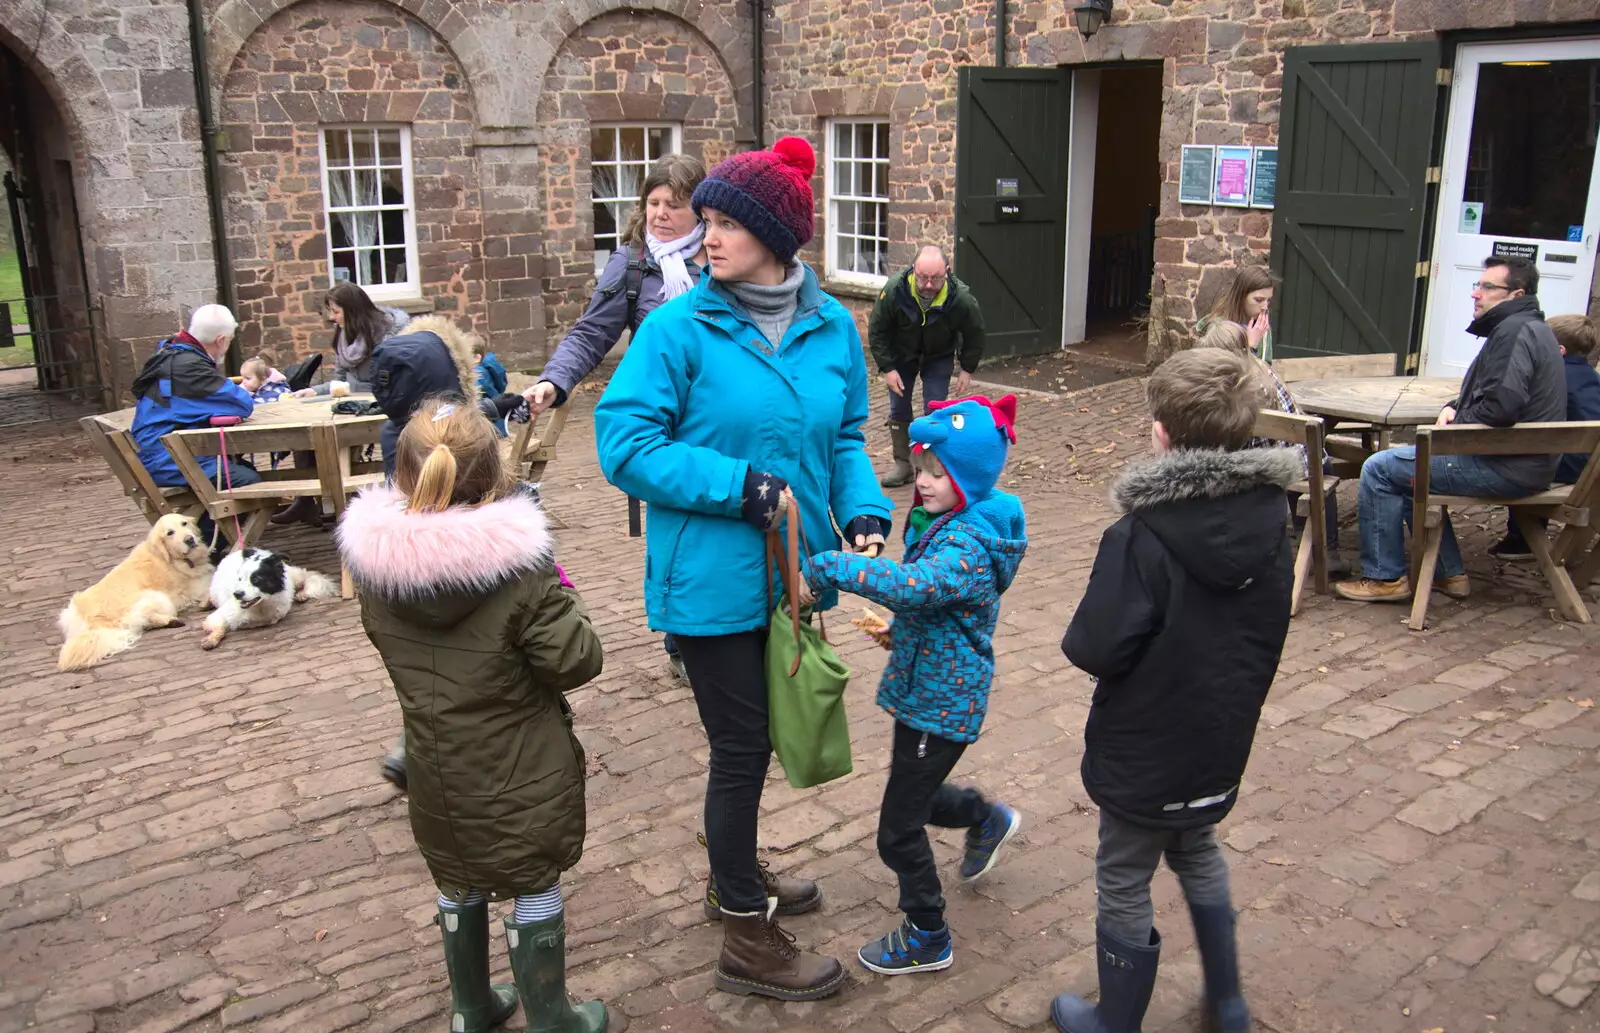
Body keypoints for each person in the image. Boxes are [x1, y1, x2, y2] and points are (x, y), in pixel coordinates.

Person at [593, 135, 892, 1002]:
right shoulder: (679, 327)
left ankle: (735, 873)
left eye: (724, 221)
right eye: (705, 219)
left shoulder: (832, 323)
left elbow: (842, 435)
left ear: (775, 234)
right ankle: (745, 936)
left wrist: (865, 507)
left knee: (755, 742)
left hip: (795, 569)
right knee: (743, 743)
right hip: (710, 577)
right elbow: (624, 444)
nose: (704, 235)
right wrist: (742, 485)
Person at [337, 400, 619, 1033]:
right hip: (520, 766)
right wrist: (556, 584)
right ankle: (552, 1018)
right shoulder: (521, 573)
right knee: (532, 876)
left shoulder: (378, 571)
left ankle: (471, 1008)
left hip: (437, 765)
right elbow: (577, 659)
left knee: (456, 876)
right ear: (495, 475)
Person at [1050, 347, 1298, 1033]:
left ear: (1161, 430)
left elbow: (1094, 645)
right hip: (1220, 731)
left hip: (1146, 742)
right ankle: (1228, 1002)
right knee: (1195, 844)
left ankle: (1116, 1022)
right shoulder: (1275, 520)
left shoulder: (1140, 534)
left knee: (1125, 871)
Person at [800, 394, 1026, 976]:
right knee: (917, 799)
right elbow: (935, 608)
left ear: (969, 476)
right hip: (928, 687)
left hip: (941, 703)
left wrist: (829, 565)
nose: (922, 482)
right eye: (921, 469)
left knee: (898, 833)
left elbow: (920, 586)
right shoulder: (954, 520)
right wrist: (901, 635)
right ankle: (983, 817)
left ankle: (929, 933)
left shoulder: (968, 544)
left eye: (936, 473)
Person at [523, 154, 709, 680]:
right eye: (653, 203)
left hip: (721, 417)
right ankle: (682, 641)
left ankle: (730, 629)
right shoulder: (631, 265)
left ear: (699, 210)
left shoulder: (721, 259)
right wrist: (553, 382)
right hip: (665, 424)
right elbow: (590, 333)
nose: (660, 214)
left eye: (674, 205)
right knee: (674, 529)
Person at [1335, 255, 1565, 603]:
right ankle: (1449, 574)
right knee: (1411, 472)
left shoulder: (1513, 332)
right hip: (1526, 461)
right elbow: (1493, 393)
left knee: (1380, 468)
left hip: (1509, 466)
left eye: (1488, 287)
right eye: (1478, 284)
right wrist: (1455, 406)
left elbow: (1501, 406)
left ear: (1516, 295)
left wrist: (1455, 424)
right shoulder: (1530, 327)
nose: (1476, 293)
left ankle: (1385, 578)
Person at [365, 314, 523, 792]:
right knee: (478, 667)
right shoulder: (459, 440)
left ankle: (412, 745)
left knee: (427, 672)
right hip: (469, 559)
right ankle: (447, 754)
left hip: (414, 564)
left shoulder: (404, 435)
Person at [1198, 319, 1348, 574]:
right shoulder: (1262, 370)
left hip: (1268, 466)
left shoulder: (1235, 389)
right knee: (1321, 463)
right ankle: (1326, 547)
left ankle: (1307, 541)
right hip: (1297, 460)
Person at [869, 245, 987, 487]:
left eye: (936, 278)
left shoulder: (961, 299)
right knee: (899, 407)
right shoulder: (894, 291)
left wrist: (967, 368)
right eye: (923, 278)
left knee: (935, 409)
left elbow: (975, 333)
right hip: (902, 355)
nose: (929, 285)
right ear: (913, 271)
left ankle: (930, 465)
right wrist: (887, 368)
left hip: (939, 355)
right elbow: (877, 330)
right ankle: (903, 464)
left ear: (947, 272)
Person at [1488, 313, 1600, 558]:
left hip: (1571, 467)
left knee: (1520, 461)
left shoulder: (1552, 379)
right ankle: (1523, 538)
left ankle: (1522, 540)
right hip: (1592, 467)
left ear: (1558, 350)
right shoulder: (1592, 378)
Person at [129, 303, 258, 493]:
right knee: (249, 479)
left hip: (159, 453)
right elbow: (242, 403)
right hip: (168, 460)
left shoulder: (169, 353)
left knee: (243, 469)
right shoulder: (191, 368)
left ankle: (210, 523)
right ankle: (208, 523)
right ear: (221, 340)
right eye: (229, 340)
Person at [294, 282, 409, 395]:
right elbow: (339, 382)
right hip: (352, 401)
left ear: (353, 311)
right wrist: (314, 391)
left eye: (336, 312)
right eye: (331, 312)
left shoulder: (390, 339)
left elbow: (397, 385)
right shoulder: (344, 335)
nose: (332, 317)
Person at [1197, 265, 1275, 363]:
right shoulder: (1218, 327)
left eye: (1268, 300)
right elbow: (1218, 371)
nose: (1265, 307)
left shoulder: (1261, 327)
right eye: (1259, 300)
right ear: (1241, 297)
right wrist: (1249, 346)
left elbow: (1266, 366)